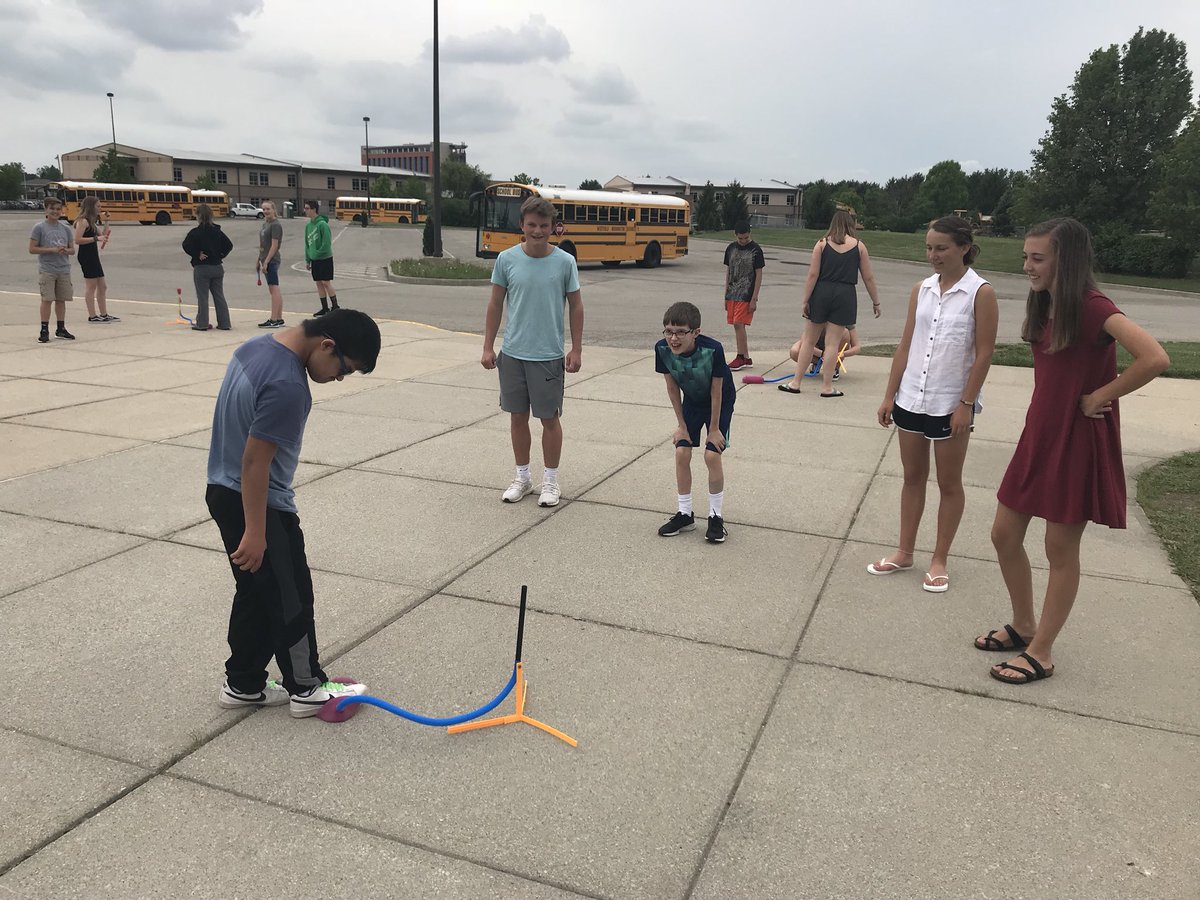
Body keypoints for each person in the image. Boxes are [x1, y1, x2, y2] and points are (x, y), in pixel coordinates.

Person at [978, 218, 1169, 685]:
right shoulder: (1046, 304)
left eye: (1037, 258)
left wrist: (1101, 395)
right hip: (1039, 434)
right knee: (1004, 534)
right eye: (1026, 256)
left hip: (1077, 439)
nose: (1027, 266)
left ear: (1068, 259)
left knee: (1058, 547)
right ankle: (1024, 625)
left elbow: (1155, 357)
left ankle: (1042, 650)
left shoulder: (1091, 306)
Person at [207, 308, 381, 717]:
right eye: (345, 369)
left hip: (221, 490)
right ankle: (306, 688)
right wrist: (256, 531)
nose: (339, 378)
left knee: (256, 593)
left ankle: (243, 683)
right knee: (291, 597)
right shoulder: (288, 384)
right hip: (258, 502)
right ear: (327, 345)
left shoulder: (255, 348)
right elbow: (256, 463)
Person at [870, 216, 998, 593]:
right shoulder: (921, 289)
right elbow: (906, 344)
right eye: (929, 247)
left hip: (951, 402)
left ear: (964, 248)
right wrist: (889, 394)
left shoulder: (981, 293)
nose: (933, 255)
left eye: (941, 248)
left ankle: (939, 558)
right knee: (912, 477)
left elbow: (985, 353)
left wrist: (966, 403)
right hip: (912, 396)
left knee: (948, 482)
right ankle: (905, 551)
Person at [481, 195, 584, 508]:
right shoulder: (507, 259)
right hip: (513, 353)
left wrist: (576, 348)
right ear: (521, 226)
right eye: (532, 225)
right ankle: (522, 477)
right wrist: (488, 345)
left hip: (548, 355)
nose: (537, 230)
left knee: (549, 420)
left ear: (553, 227)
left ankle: (550, 481)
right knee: (517, 417)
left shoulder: (565, 262)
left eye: (544, 225)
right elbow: (496, 303)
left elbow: (576, 305)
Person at [654, 301, 735, 544]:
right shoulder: (661, 349)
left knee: (712, 455)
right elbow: (671, 387)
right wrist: (682, 426)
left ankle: (715, 516)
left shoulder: (713, 350)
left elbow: (717, 390)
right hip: (692, 400)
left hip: (718, 402)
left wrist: (713, 429)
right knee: (681, 451)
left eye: (680, 332)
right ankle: (685, 514)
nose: (673, 338)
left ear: (696, 332)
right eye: (669, 331)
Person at [779, 210, 880, 396]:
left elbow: (812, 275)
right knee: (833, 343)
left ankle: (796, 382)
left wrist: (805, 299)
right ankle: (826, 387)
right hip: (845, 294)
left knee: (808, 340)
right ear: (850, 225)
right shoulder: (859, 246)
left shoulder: (821, 244)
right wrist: (876, 302)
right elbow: (868, 277)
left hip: (822, 291)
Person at [29, 197, 76, 343]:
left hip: (63, 269)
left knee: (61, 299)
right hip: (47, 269)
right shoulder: (39, 228)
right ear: (46, 210)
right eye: (52, 208)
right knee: (47, 299)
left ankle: (61, 328)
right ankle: (44, 329)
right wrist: (51, 250)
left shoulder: (66, 229)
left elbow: (72, 250)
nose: (55, 211)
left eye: (58, 209)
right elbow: (32, 249)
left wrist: (65, 251)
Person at [182, 203, 234, 331]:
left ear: (198, 215)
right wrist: (220, 255)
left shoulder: (195, 232)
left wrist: (197, 253)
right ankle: (224, 323)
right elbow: (229, 245)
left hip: (202, 267)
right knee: (219, 296)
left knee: (203, 297)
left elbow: (186, 245)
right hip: (217, 266)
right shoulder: (217, 231)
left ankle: (202, 323)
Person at [722, 220, 764, 371]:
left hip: (747, 293)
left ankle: (740, 357)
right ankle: (746, 357)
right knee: (736, 325)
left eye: (746, 238)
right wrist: (726, 294)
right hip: (732, 292)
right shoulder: (731, 249)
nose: (743, 241)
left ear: (749, 234)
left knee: (739, 323)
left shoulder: (756, 250)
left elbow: (759, 274)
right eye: (740, 238)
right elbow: (728, 271)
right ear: (735, 235)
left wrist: (754, 298)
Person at [73, 196, 117, 323]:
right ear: (90, 207)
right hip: (86, 255)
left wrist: (107, 221)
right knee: (91, 286)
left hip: (93, 254)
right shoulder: (83, 221)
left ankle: (104, 313)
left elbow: (102, 234)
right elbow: (78, 240)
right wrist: (95, 239)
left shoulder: (91, 222)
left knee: (102, 286)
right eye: (98, 206)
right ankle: (92, 315)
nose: (100, 208)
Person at [303, 200, 339, 317]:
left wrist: (318, 253)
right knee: (318, 282)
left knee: (326, 282)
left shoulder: (322, 224)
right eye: (305, 208)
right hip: (314, 259)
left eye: (308, 208)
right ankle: (324, 308)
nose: (306, 211)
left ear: (314, 209)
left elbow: (326, 243)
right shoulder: (308, 226)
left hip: (324, 258)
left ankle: (335, 306)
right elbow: (307, 244)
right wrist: (308, 259)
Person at [256, 199, 284, 328]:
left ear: (273, 210)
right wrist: (259, 260)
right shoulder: (265, 225)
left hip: (271, 260)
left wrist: (267, 261)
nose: (266, 211)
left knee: (274, 288)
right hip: (264, 258)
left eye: (268, 209)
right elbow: (263, 245)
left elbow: (274, 245)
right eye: (264, 209)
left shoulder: (275, 225)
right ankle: (278, 318)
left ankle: (274, 319)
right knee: (273, 288)